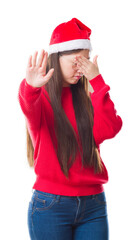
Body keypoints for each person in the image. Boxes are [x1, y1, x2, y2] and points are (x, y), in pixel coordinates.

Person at [17, 18, 123, 240]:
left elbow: (110, 129)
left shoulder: (87, 97)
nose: (81, 69)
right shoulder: (40, 97)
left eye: (85, 62)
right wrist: (29, 87)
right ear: (57, 57)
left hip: (93, 205)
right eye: (76, 62)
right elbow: (27, 103)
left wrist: (97, 81)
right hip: (50, 206)